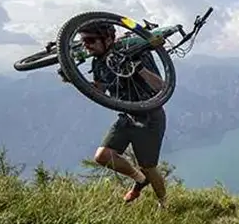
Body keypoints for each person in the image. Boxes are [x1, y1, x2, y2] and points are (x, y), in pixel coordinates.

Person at [64, 21, 168, 209]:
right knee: (102, 156)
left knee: (148, 166)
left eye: (91, 40)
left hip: (150, 116)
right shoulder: (98, 62)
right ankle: (140, 180)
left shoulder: (133, 52)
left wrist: (139, 69)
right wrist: (73, 78)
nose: (86, 45)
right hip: (127, 116)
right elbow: (99, 90)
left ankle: (164, 204)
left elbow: (160, 86)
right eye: (84, 41)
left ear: (108, 39)